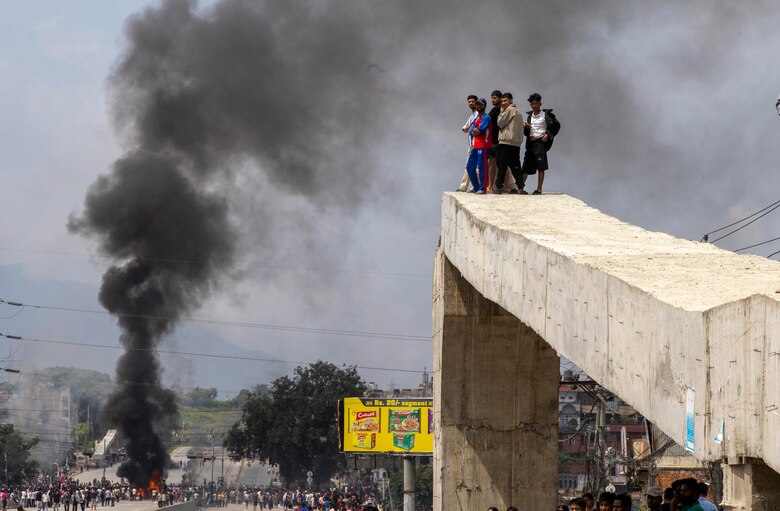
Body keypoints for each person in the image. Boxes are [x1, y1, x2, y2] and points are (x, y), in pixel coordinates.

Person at [521, 93, 561, 194]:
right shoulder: (530, 117)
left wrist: (548, 135)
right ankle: (520, 187)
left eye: (536, 103)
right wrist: (526, 128)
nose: (534, 105)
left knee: (541, 166)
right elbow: (526, 133)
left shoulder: (546, 115)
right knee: (525, 165)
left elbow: (557, 125)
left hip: (540, 143)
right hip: (530, 143)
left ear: (540, 104)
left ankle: (539, 188)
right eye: (532, 104)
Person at [494, 92, 523, 194]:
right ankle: (520, 186)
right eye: (502, 101)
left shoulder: (509, 110)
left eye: (505, 101)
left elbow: (500, 123)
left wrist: (501, 113)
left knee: (502, 165)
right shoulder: (519, 112)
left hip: (506, 142)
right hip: (516, 144)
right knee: (515, 165)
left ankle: (498, 187)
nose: (503, 103)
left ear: (511, 100)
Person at [465, 98, 492, 194]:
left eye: (480, 104)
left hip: (484, 145)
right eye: (477, 105)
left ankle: (482, 188)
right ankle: (476, 187)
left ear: (484, 106)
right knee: (469, 167)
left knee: (482, 167)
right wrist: (475, 131)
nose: (478, 106)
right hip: (475, 146)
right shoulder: (476, 118)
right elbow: (472, 131)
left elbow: (481, 129)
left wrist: (477, 130)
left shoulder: (486, 117)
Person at [458, 95, 479, 192]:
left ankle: (476, 186)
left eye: (472, 101)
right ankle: (464, 187)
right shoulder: (472, 115)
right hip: (472, 145)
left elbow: (471, 128)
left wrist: (468, 128)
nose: (471, 103)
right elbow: (465, 127)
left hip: (477, 144)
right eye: (469, 102)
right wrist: (466, 128)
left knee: (475, 167)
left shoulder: (478, 114)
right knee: (469, 166)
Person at [486, 90, 502, 192]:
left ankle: (490, 186)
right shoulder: (499, 108)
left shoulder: (497, 108)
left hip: (495, 140)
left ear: (500, 98)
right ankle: (492, 185)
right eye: (492, 98)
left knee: (492, 162)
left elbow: (487, 119)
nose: (493, 99)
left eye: (495, 98)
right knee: (494, 163)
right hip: (495, 139)